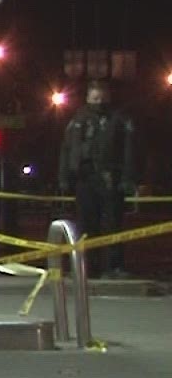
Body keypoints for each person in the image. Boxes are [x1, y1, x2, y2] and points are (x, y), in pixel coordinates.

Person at [58, 79, 138, 278]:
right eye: (94, 98)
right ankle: (88, 266)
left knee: (113, 224)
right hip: (85, 179)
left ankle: (114, 266)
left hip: (110, 179)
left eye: (101, 98)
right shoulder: (78, 120)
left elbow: (131, 151)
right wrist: (64, 178)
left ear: (108, 97)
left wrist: (128, 179)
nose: (98, 102)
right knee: (87, 224)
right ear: (87, 97)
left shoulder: (119, 120)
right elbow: (66, 150)